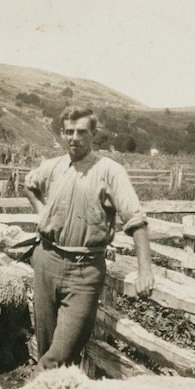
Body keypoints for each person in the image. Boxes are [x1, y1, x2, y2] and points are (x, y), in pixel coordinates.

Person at [24, 105, 154, 371]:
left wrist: (146, 271)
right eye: (69, 131)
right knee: (46, 347)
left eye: (81, 131)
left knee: (58, 356)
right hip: (46, 262)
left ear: (94, 133)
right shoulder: (54, 167)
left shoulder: (110, 171)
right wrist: (43, 213)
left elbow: (136, 220)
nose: (74, 137)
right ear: (62, 133)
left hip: (83, 272)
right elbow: (29, 184)